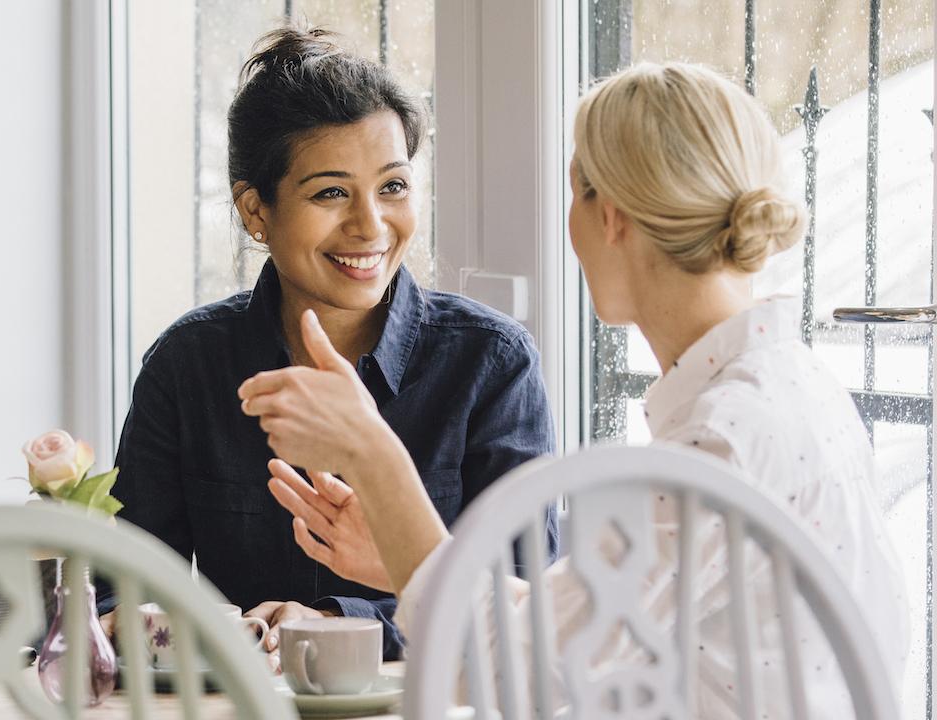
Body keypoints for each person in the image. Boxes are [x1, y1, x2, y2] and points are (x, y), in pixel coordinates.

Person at [247, 62, 909, 716]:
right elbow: (573, 630)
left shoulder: (721, 441)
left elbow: (509, 678)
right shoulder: (783, 391)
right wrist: (400, 556)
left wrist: (372, 451)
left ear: (610, 216)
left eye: (573, 193)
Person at [97, 24, 558, 662]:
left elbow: (529, 604)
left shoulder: (492, 362)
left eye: (392, 187)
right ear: (256, 211)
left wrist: (334, 623)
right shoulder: (187, 364)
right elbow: (120, 588)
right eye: (331, 192)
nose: (371, 225)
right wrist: (155, 625)